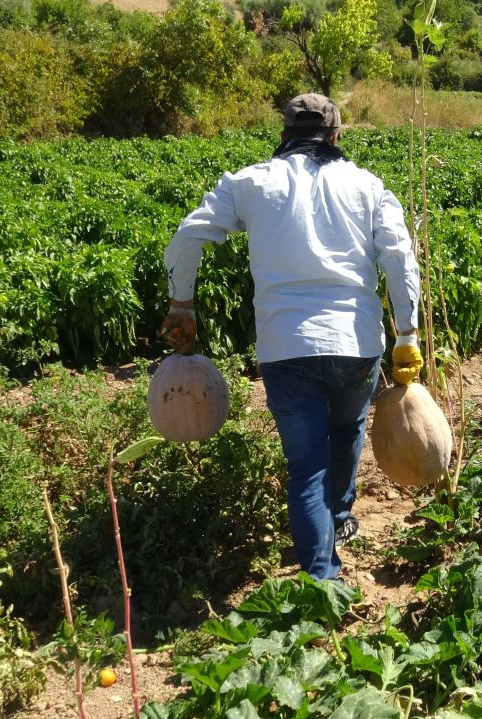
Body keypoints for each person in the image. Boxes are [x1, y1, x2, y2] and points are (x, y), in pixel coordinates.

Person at [158, 93, 423, 581]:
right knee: (347, 432)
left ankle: (323, 579)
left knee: (307, 466)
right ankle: (339, 520)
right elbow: (400, 257)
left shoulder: (251, 182)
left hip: (286, 346)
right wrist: (407, 332)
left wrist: (182, 305)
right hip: (357, 342)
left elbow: (188, 236)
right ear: (337, 137)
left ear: (283, 136)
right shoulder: (367, 186)